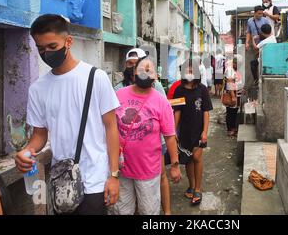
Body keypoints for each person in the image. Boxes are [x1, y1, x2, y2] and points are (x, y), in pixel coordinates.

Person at [15, 15, 120, 215]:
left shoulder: (95, 78)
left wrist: (114, 175)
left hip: (94, 182)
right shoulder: (37, 89)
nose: (47, 53)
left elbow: (111, 127)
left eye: (52, 46)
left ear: (68, 41)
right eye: (41, 49)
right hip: (61, 182)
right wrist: (26, 152)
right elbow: (39, 135)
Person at [112, 57, 181, 215]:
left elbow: (170, 136)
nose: (145, 73)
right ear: (134, 74)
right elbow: (109, 127)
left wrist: (175, 165)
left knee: (148, 211)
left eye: (149, 70)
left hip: (148, 171)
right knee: (121, 211)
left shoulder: (161, 102)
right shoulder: (118, 95)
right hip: (121, 168)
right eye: (141, 69)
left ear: (155, 76)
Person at [173, 59, 213, 205]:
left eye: (192, 71)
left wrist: (205, 132)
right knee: (188, 160)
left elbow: (206, 112)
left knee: (197, 157)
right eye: (187, 71)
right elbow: (177, 111)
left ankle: (198, 188)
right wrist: (173, 130)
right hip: (184, 131)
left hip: (198, 131)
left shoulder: (202, 89)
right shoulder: (178, 90)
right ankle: (191, 186)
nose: (189, 73)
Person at [246, 6, 270, 83]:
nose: (260, 15)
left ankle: (261, 79)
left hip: (264, 44)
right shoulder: (250, 21)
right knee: (256, 62)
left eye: (262, 14)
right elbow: (248, 32)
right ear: (255, 13)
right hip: (255, 45)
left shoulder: (265, 20)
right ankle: (256, 80)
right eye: (259, 13)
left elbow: (269, 32)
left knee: (262, 61)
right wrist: (247, 42)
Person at [224, 57, 243, 137]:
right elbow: (230, 83)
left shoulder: (235, 70)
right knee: (230, 112)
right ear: (234, 63)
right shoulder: (230, 70)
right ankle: (230, 129)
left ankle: (233, 128)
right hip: (232, 94)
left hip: (237, 93)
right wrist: (233, 96)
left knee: (234, 112)